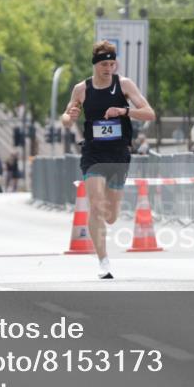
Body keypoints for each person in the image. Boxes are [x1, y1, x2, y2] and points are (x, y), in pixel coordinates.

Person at [61, 40, 156, 279]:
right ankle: (103, 261)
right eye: (104, 64)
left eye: (112, 64)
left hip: (118, 153)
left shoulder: (123, 85)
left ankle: (106, 227)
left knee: (111, 215)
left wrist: (124, 111)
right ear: (95, 64)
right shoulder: (81, 90)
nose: (108, 68)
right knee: (95, 204)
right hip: (93, 152)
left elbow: (149, 114)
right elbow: (66, 118)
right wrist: (69, 116)